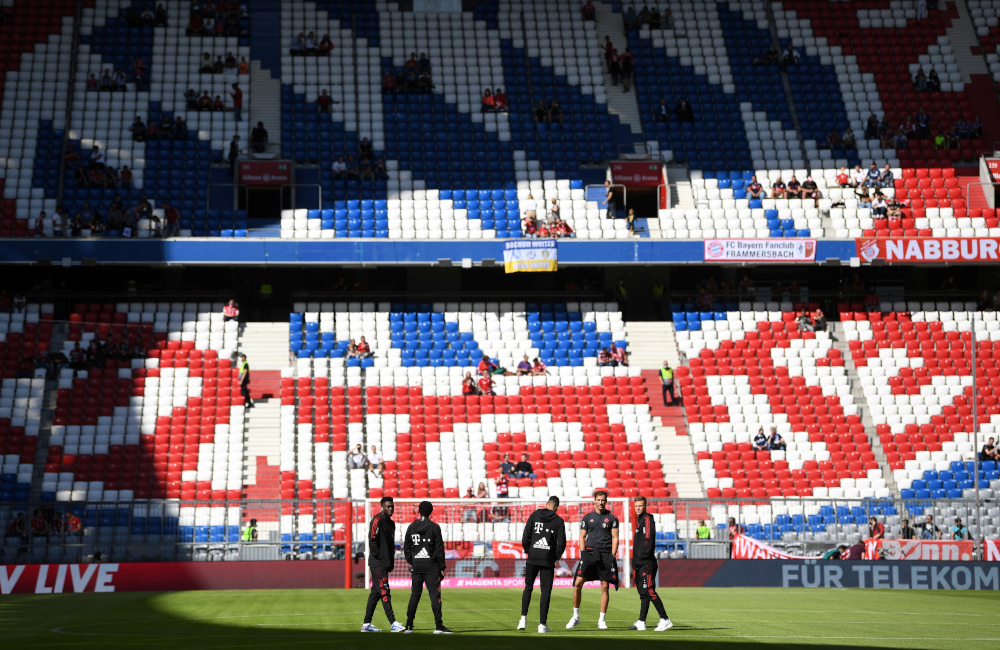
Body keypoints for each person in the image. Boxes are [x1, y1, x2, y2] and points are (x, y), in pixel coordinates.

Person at [566, 490, 619, 630]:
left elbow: (615, 538)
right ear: (594, 501)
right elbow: (582, 537)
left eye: (603, 500)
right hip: (589, 553)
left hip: (606, 554)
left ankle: (601, 620)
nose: (601, 502)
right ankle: (575, 616)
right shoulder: (587, 517)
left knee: (605, 586)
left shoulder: (612, 518)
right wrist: (583, 553)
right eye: (599, 500)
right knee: (577, 583)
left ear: (606, 501)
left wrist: (612, 555)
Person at [518, 496, 566, 634]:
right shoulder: (559, 521)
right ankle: (542, 625)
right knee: (545, 592)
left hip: (533, 557)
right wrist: (555, 557)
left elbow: (525, 535)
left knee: (528, 587)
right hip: (547, 560)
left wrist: (529, 551)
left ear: (546, 505)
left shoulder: (534, 515)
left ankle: (523, 619)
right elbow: (561, 543)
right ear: (556, 507)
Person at [403, 501, 451, 634]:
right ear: (431, 512)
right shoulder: (434, 527)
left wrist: (412, 561)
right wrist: (442, 566)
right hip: (431, 566)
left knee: (415, 595)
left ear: (419, 511)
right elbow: (439, 548)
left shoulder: (411, 527)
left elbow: (406, 548)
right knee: (435, 596)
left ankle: (408, 626)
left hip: (417, 566)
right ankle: (438, 626)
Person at [630, 496, 673, 632]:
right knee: (643, 593)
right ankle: (641, 621)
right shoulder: (639, 521)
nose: (638, 508)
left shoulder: (648, 518)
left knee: (649, 590)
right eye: (636, 506)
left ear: (645, 506)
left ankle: (665, 619)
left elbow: (648, 538)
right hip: (640, 562)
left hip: (646, 562)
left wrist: (643, 557)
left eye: (640, 506)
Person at [363, 496, 404, 633]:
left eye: (392, 506)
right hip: (377, 563)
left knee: (375, 593)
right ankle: (393, 623)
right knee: (385, 591)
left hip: (384, 563)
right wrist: (380, 558)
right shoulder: (377, 520)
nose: (391, 508)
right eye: (388, 506)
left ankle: (366, 624)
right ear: (382, 507)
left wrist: (390, 562)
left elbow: (390, 546)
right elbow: (372, 540)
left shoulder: (392, 524)